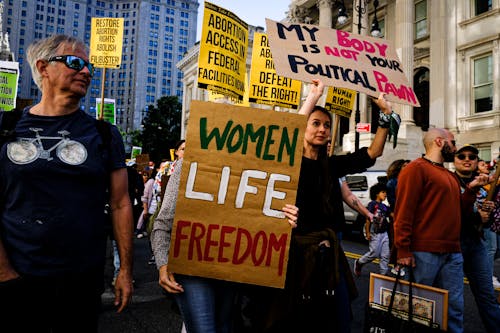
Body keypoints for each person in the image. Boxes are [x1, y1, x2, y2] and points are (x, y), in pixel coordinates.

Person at [0, 35, 134, 332]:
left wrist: (125, 270)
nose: (86, 71)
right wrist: (4, 270)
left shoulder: (103, 133)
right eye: (75, 63)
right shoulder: (5, 126)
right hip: (16, 276)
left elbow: (121, 203)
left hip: (80, 281)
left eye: (88, 66)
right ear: (43, 67)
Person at [254, 79, 397, 332]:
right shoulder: (286, 162)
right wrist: (314, 96)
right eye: (316, 123)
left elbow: (373, 152)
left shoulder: (333, 166)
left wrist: (385, 115)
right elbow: (288, 132)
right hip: (294, 255)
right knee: (294, 320)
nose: (322, 129)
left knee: (339, 319)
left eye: (327, 125)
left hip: (330, 255)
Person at [151, 157, 300, 333]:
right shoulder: (189, 163)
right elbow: (163, 222)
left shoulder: (258, 170)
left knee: (224, 328)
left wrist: (284, 220)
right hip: (193, 268)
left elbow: (262, 221)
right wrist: (163, 263)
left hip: (230, 271)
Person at [394, 128, 490, 333]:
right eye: (453, 142)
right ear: (439, 141)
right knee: (420, 310)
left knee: (453, 309)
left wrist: (472, 188)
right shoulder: (415, 169)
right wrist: (402, 249)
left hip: (453, 252)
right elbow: (404, 211)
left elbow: (459, 209)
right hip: (424, 253)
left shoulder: (448, 175)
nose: (455, 148)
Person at [453, 144, 500, 332]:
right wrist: (476, 216)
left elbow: (486, 221)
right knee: (454, 299)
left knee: (487, 295)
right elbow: (451, 214)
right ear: (454, 160)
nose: (467, 159)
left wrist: (487, 214)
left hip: (476, 243)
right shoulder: (449, 182)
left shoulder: (484, 185)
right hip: (453, 245)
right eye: (461, 156)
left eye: (472, 157)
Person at [354, 183, 391, 276]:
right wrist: (367, 232)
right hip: (375, 233)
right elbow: (368, 219)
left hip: (384, 234)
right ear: (376, 194)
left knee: (385, 255)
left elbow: (392, 215)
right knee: (374, 253)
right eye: (383, 192)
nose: (385, 194)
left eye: (386, 192)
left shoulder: (385, 207)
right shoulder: (372, 204)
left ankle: (383, 275)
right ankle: (359, 262)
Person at [385, 159, 410, 276]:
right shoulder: (392, 182)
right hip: (397, 214)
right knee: (398, 239)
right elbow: (393, 201)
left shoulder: (409, 180)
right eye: (405, 166)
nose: (408, 167)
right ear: (398, 168)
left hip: (408, 214)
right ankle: (397, 265)